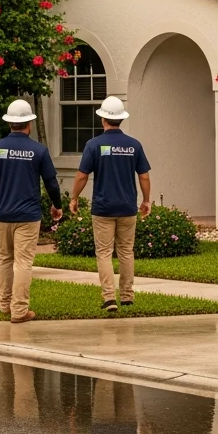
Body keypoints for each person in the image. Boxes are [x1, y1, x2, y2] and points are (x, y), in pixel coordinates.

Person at [0, 99, 61, 323]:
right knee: (23, 262)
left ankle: (4, 303)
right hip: (28, 216)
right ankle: (19, 310)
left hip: (1, 215)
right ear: (29, 124)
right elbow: (51, 182)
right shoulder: (38, 150)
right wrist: (57, 205)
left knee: (4, 258)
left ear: (10, 123)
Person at [67, 96, 151, 312]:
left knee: (104, 252)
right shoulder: (134, 145)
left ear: (103, 118)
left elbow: (82, 175)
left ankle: (109, 298)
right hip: (127, 207)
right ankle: (127, 296)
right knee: (126, 252)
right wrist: (146, 200)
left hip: (103, 208)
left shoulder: (94, 144)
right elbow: (143, 176)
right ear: (120, 119)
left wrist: (74, 197)